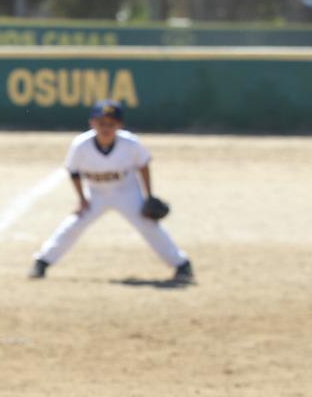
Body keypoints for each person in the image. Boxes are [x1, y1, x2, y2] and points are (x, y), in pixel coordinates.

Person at [29, 99, 193, 282]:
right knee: (73, 225)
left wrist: (148, 196)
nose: (106, 128)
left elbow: (143, 165)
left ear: (120, 125)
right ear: (92, 123)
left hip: (126, 191)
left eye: (111, 124)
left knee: (148, 225)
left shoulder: (130, 143)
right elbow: (74, 172)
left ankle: (182, 264)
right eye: (101, 123)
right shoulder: (80, 145)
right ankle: (42, 261)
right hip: (96, 193)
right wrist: (82, 199)